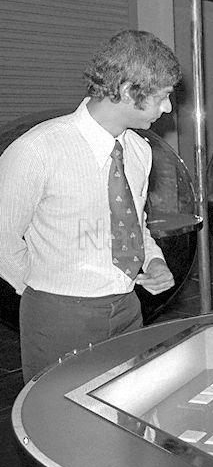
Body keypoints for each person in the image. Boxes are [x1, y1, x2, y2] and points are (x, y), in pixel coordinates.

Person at [0, 30, 180, 382]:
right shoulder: (38, 149)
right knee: (57, 410)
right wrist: (45, 294)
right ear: (127, 91)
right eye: (162, 97)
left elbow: (134, 224)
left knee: (123, 399)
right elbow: (3, 238)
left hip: (128, 306)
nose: (168, 108)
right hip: (59, 314)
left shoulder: (140, 151)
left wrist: (153, 260)